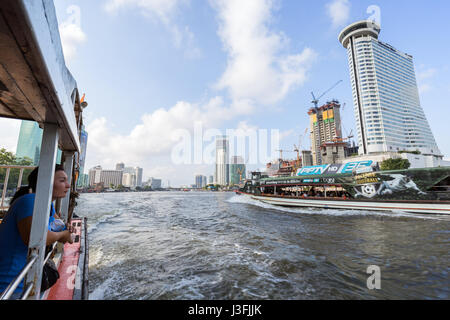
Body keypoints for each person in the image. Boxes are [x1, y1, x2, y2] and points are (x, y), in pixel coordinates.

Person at [0, 165, 74, 299]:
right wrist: (63, 234)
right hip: (10, 284)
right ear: (45, 181)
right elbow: (36, 238)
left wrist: (66, 231)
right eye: (62, 181)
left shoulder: (48, 205)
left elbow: (66, 235)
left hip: (24, 281)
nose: (68, 185)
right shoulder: (30, 201)